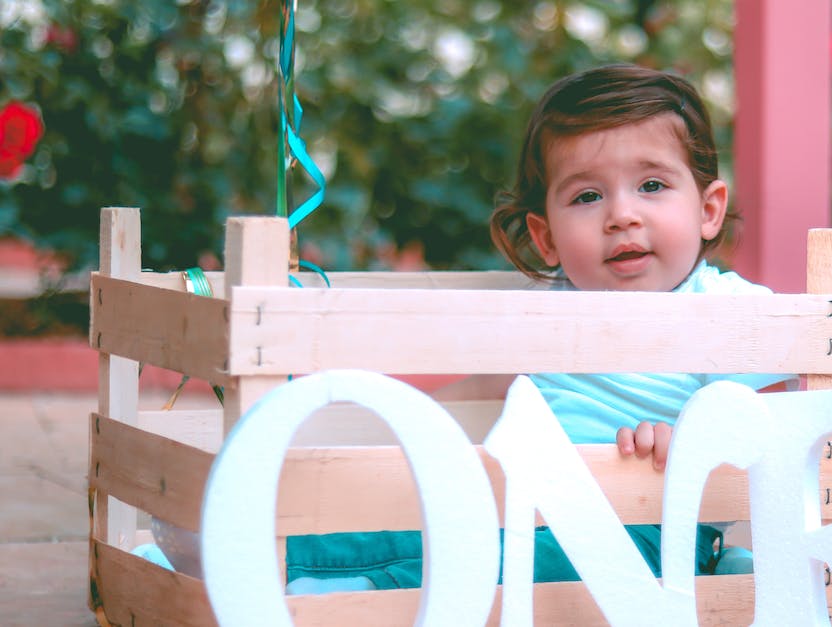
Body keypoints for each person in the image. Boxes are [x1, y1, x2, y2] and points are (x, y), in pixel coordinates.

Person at [285, 64, 783, 593]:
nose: (621, 214)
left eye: (652, 186)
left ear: (708, 210)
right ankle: (273, 564)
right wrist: (390, 420)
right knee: (385, 528)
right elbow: (487, 386)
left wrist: (693, 443)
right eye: (587, 197)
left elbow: (775, 431)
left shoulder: (729, 311)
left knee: (527, 564)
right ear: (546, 238)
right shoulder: (549, 310)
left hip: (645, 533)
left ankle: (373, 596)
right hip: (519, 506)